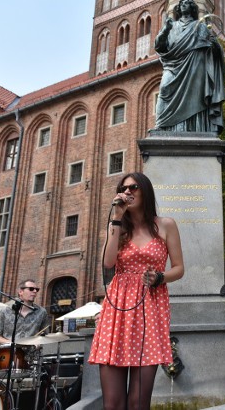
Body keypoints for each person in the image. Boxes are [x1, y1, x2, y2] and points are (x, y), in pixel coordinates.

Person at [88, 172, 185, 410]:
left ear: (145, 190)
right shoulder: (118, 226)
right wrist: (117, 220)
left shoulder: (166, 225)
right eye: (123, 188)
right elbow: (108, 262)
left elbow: (179, 268)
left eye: (133, 187)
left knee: (138, 402)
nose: (128, 191)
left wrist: (160, 277)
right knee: (113, 403)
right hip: (117, 308)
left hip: (149, 307)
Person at [154, 0, 225, 134]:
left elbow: (211, 49)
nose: (184, 5)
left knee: (196, 97)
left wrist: (215, 44)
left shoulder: (200, 26)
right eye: (182, 3)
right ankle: (161, 124)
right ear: (178, 8)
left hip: (195, 65)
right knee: (164, 88)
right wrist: (165, 30)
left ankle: (195, 128)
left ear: (193, 8)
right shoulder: (171, 26)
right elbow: (159, 46)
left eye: (187, 3)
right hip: (173, 64)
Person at [0, 279, 50, 344]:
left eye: (37, 289)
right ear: (20, 292)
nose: (35, 291)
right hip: (10, 352)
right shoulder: (5, 311)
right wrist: (13, 344)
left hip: (32, 353)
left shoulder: (42, 312)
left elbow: (45, 334)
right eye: (31, 289)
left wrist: (38, 342)